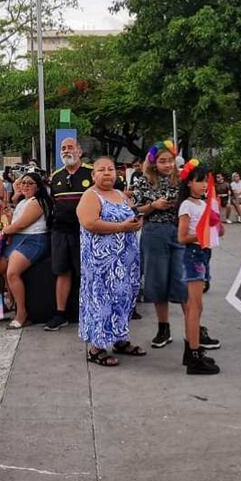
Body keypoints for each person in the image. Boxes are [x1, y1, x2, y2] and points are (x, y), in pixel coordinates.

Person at [77, 156, 146, 366]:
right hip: (102, 265)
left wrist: (137, 220)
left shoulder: (120, 194)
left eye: (111, 169)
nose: (107, 173)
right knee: (102, 302)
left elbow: (132, 213)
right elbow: (90, 223)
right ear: (93, 175)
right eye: (101, 170)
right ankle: (96, 348)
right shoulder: (91, 196)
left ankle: (120, 339)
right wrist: (122, 227)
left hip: (125, 263)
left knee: (124, 299)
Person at [132, 141, 186, 348]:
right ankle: (164, 328)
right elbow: (136, 208)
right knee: (157, 282)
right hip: (154, 232)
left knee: (183, 281)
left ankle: (194, 328)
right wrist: (154, 205)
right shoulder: (143, 180)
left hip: (179, 231)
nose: (168, 165)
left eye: (170, 160)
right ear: (154, 162)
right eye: (163, 161)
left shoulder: (182, 179)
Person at [176, 160, 223, 375]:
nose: (204, 185)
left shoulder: (203, 204)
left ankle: (191, 350)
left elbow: (217, 231)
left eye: (205, 181)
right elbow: (182, 237)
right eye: (199, 181)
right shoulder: (187, 205)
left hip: (203, 254)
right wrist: (204, 233)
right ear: (189, 183)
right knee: (194, 306)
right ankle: (194, 355)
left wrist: (216, 225)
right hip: (193, 254)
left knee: (197, 306)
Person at [43, 138, 93, 331]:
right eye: (63, 148)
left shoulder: (91, 173)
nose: (66, 151)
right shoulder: (55, 177)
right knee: (62, 271)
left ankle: (90, 312)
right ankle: (60, 314)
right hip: (61, 232)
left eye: (70, 147)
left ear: (79, 151)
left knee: (87, 273)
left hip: (86, 232)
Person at [0, 172, 53, 329]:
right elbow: (15, 223)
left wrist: (4, 231)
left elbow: (21, 224)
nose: (25, 186)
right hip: (19, 239)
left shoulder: (37, 202)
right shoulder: (23, 202)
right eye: (23, 183)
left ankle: (22, 313)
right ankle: (12, 302)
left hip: (34, 240)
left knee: (12, 272)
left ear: (38, 187)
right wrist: (10, 213)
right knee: (0, 267)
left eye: (30, 183)